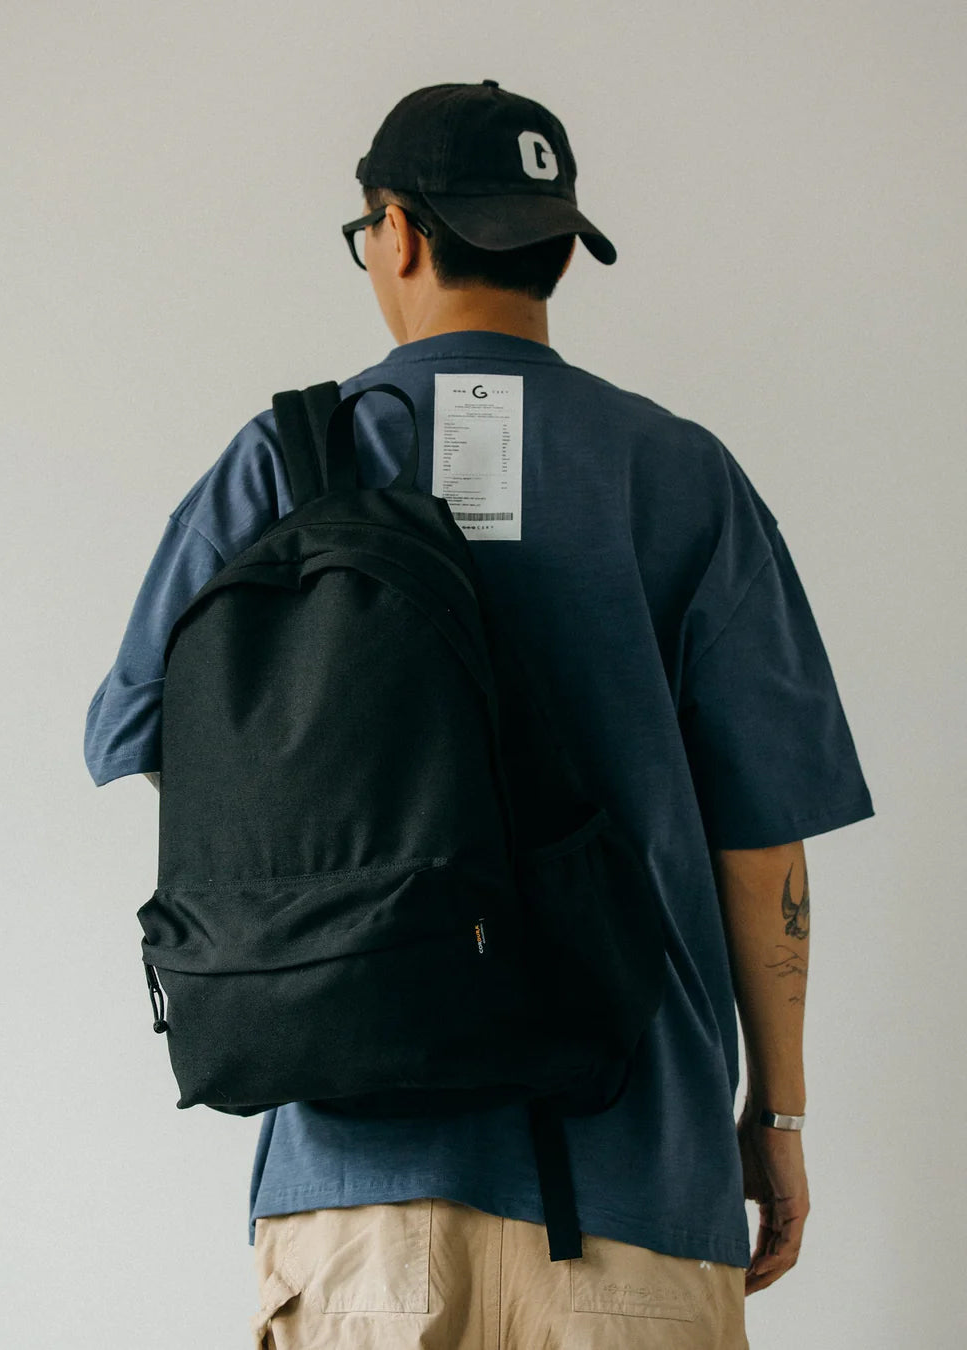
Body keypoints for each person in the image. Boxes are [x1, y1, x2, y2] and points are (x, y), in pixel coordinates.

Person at [84, 80, 875, 1349]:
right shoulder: (679, 476)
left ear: (395, 232)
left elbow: (139, 740)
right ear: (559, 247)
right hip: (643, 1180)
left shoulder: (286, 463)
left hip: (358, 1191)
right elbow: (760, 841)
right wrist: (774, 1121)